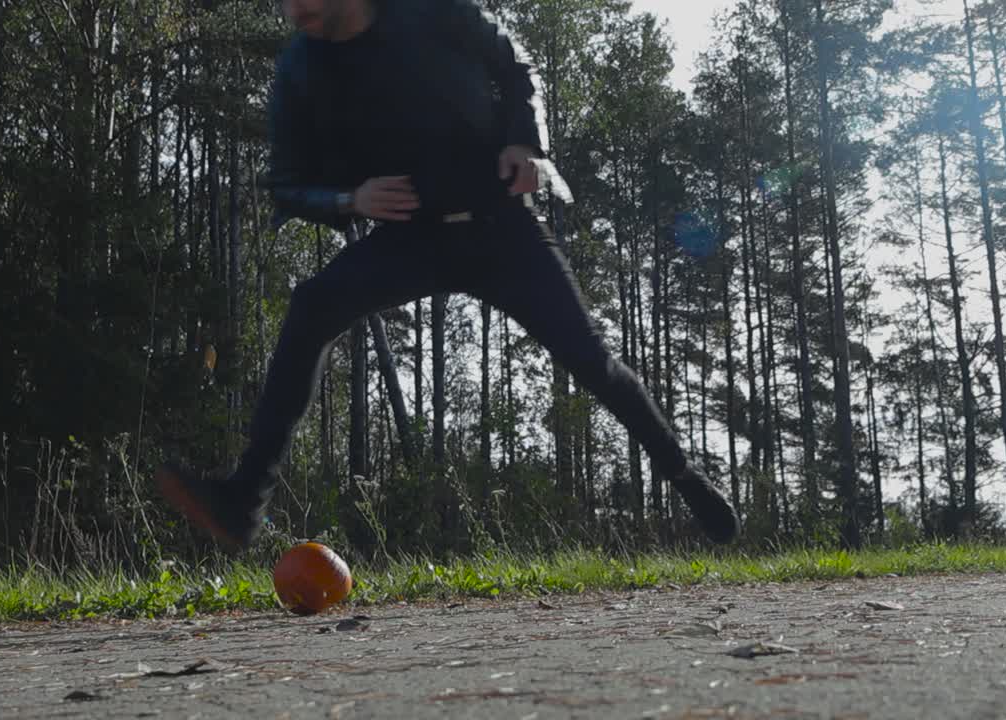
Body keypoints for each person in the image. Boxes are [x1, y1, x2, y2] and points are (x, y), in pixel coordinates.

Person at [157, 0, 739, 549]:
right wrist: (348, 198)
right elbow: (284, 182)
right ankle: (242, 500)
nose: (291, 10)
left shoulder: (431, 9)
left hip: (500, 225)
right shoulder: (298, 68)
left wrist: (522, 140)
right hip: (413, 236)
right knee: (313, 305)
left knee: (593, 362)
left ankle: (685, 477)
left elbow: (513, 65)